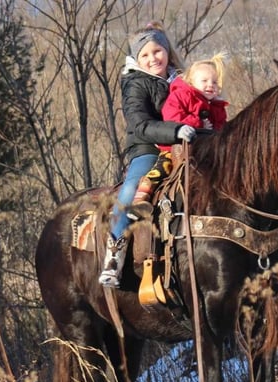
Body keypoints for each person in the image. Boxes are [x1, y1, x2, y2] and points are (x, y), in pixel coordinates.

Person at [99, 22, 197, 288]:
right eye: (145, 54)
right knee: (132, 188)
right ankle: (114, 252)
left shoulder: (183, 81)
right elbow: (140, 125)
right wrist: (177, 130)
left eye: (157, 51)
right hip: (147, 148)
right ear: (136, 59)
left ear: (167, 52)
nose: (153, 58)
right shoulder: (135, 84)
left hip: (185, 146)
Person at [132, 52, 230, 205]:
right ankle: (142, 195)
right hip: (175, 147)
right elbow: (172, 116)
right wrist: (198, 123)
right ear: (192, 81)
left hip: (206, 150)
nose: (210, 85)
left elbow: (221, 127)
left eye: (215, 82)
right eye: (204, 81)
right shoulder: (181, 95)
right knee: (163, 167)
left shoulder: (218, 107)